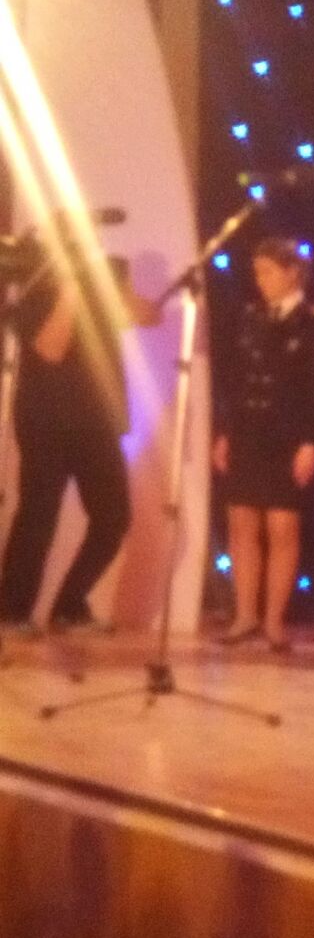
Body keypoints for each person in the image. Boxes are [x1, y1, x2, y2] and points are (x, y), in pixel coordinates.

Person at [0, 228, 158, 634]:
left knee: (113, 517)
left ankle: (69, 606)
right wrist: (71, 286)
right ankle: (12, 611)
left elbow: (145, 316)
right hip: (45, 420)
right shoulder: (31, 285)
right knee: (39, 513)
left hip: (98, 418)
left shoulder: (108, 272)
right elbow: (52, 349)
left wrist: (112, 286)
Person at [212, 238, 314, 654]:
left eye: (268, 271)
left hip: (287, 438)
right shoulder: (250, 317)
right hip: (248, 432)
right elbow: (235, 380)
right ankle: (245, 614)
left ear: (292, 273)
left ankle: (274, 620)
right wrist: (225, 431)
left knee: (282, 528)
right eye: (257, 272)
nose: (260, 280)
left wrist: (311, 442)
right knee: (241, 523)